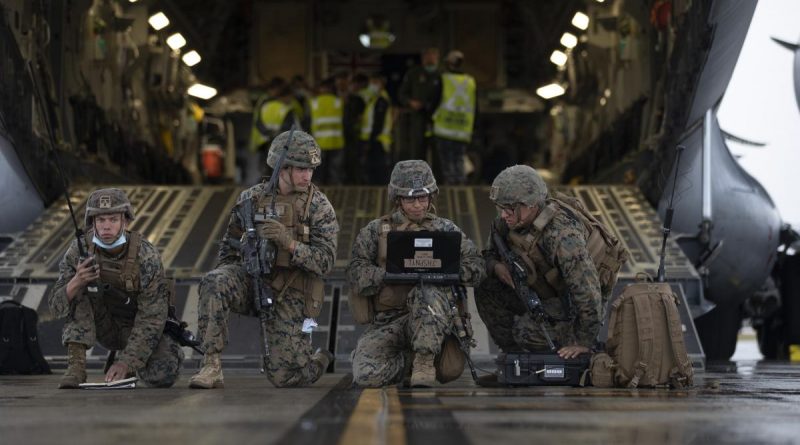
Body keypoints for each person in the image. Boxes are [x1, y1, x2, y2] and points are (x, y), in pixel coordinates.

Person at [190, 130, 339, 389]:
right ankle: (211, 365)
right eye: (302, 169)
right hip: (252, 279)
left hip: (290, 290)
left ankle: (320, 359)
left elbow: (326, 262)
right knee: (215, 281)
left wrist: (289, 243)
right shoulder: (251, 199)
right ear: (282, 168)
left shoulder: (319, 207)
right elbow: (228, 249)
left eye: (311, 169)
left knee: (287, 378)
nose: (308, 176)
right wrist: (245, 257)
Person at [347, 160, 485, 387]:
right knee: (365, 375)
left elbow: (477, 266)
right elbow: (355, 273)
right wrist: (389, 273)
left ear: (431, 197)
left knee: (449, 368)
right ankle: (409, 361)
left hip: (435, 321)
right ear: (397, 199)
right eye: (410, 199)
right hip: (391, 322)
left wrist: (448, 270)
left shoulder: (446, 230)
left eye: (423, 198)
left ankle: (424, 361)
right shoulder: (376, 231)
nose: (418, 205)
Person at [49, 188, 183, 388]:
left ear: (125, 221)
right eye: (100, 220)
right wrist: (77, 281)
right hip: (103, 325)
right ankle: (76, 368)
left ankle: (124, 361)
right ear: (92, 222)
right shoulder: (79, 250)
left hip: (135, 327)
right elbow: (55, 306)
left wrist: (126, 362)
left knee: (163, 374)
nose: (106, 227)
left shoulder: (146, 255)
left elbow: (152, 316)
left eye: (113, 219)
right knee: (79, 291)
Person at [475, 165, 605, 362]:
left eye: (509, 208)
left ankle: (555, 356)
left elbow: (588, 292)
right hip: (538, 291)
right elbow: (488, 254)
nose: (503, 215)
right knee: (485, 286)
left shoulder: (562, 235)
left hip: (569, 304)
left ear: (532, 205)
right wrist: (496, 267)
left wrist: (583, 341)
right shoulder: (509, 221)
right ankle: (513, 359)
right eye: (500, 208)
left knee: (526, 331)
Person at [431, 50, 476, 185]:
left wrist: (430, 116)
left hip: (444, 127)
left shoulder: (443, 79)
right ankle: (460, 183)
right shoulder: (470, 81)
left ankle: (451, 185)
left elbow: (435, 101)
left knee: (447, 159)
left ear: (448, 63)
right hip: (463, 128)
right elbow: (475, 107)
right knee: (459, 158)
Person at [249, 78, 299, 184]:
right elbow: (289, 126)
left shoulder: (265, 104)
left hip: (264, 139)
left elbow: (258, 121)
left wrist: (267, 133)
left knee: (266, 166)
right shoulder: (284, 108)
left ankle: (265, 186)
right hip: (278, 141)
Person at [397, 47, 442, 162]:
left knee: (438, 152)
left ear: (437, 57)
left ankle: (439, 179)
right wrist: (411, 102)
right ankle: (418, 179)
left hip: (438, 119)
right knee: (417, 151)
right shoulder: (414, 73)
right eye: (427, 55)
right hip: (418, 118)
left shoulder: (442, 74)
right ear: (422, 58)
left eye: (432, 55)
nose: (430, 58)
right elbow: (402, 94)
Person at [310, 77, 345, 184]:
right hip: (336, 141)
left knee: (315, 169)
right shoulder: (339, 102)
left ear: (320, 88)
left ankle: (315, 190)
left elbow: (306, 122)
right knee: (335, 170)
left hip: (315, 143)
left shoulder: (313, 102)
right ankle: (336, 191)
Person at [360, 73, 393, 185]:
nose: (372, 86)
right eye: (371, 83)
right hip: (374, 139)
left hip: (378, 139)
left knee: (379, 171)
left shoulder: (381, 100)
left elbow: (378, 122)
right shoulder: (374, 99)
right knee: (373, 169)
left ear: (381, 84)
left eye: (375, 83)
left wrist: (371, 139)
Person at [343, 73, 369, 184]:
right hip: (345, 133)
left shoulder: (359, 99)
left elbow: (361, 117)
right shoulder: (346, 99)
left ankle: (357, 181)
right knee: (348, 159)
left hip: (355, 134)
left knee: (356, 159)